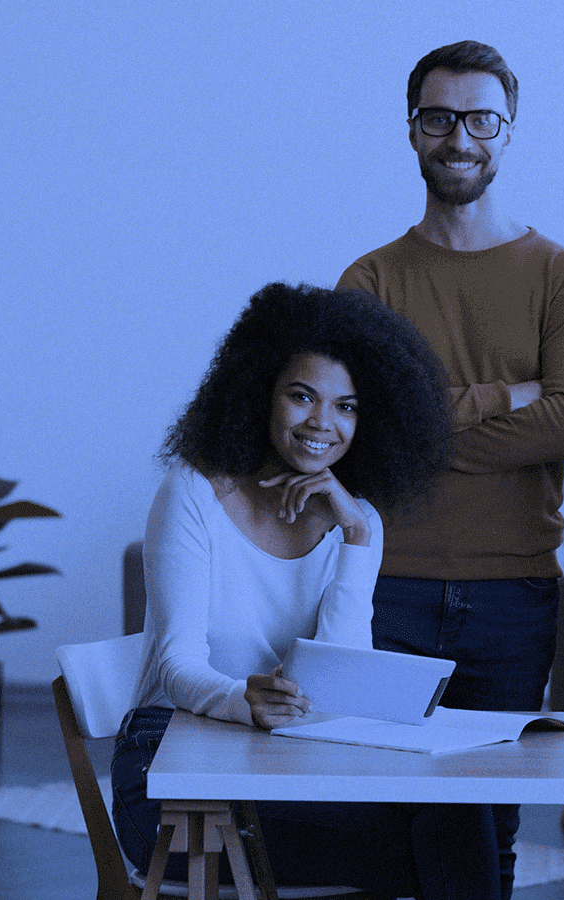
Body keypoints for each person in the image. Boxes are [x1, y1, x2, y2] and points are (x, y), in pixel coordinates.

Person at [111, 282, 501, 900]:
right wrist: (246, 700)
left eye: (346, 406)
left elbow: (338, 679)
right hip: (170, 777)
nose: (323, 423)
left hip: (284, 764)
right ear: (259, 395)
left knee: (454, 812)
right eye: (302, 396)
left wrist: (353, 534)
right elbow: (173, 665)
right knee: (437, 844)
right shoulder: (195, 492)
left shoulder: (357, 520)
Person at [336, 40, 564, 897]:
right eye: (439, 118)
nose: (460, 137)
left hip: (513, 596)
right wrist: (503, 397)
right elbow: (369, 437)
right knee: (388, 816)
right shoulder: (369, 281)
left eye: (480, 118)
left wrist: (432, 416)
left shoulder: (562, 275)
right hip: (390, 587)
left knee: (492, 829)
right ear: (412, 132)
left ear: (508, 131)